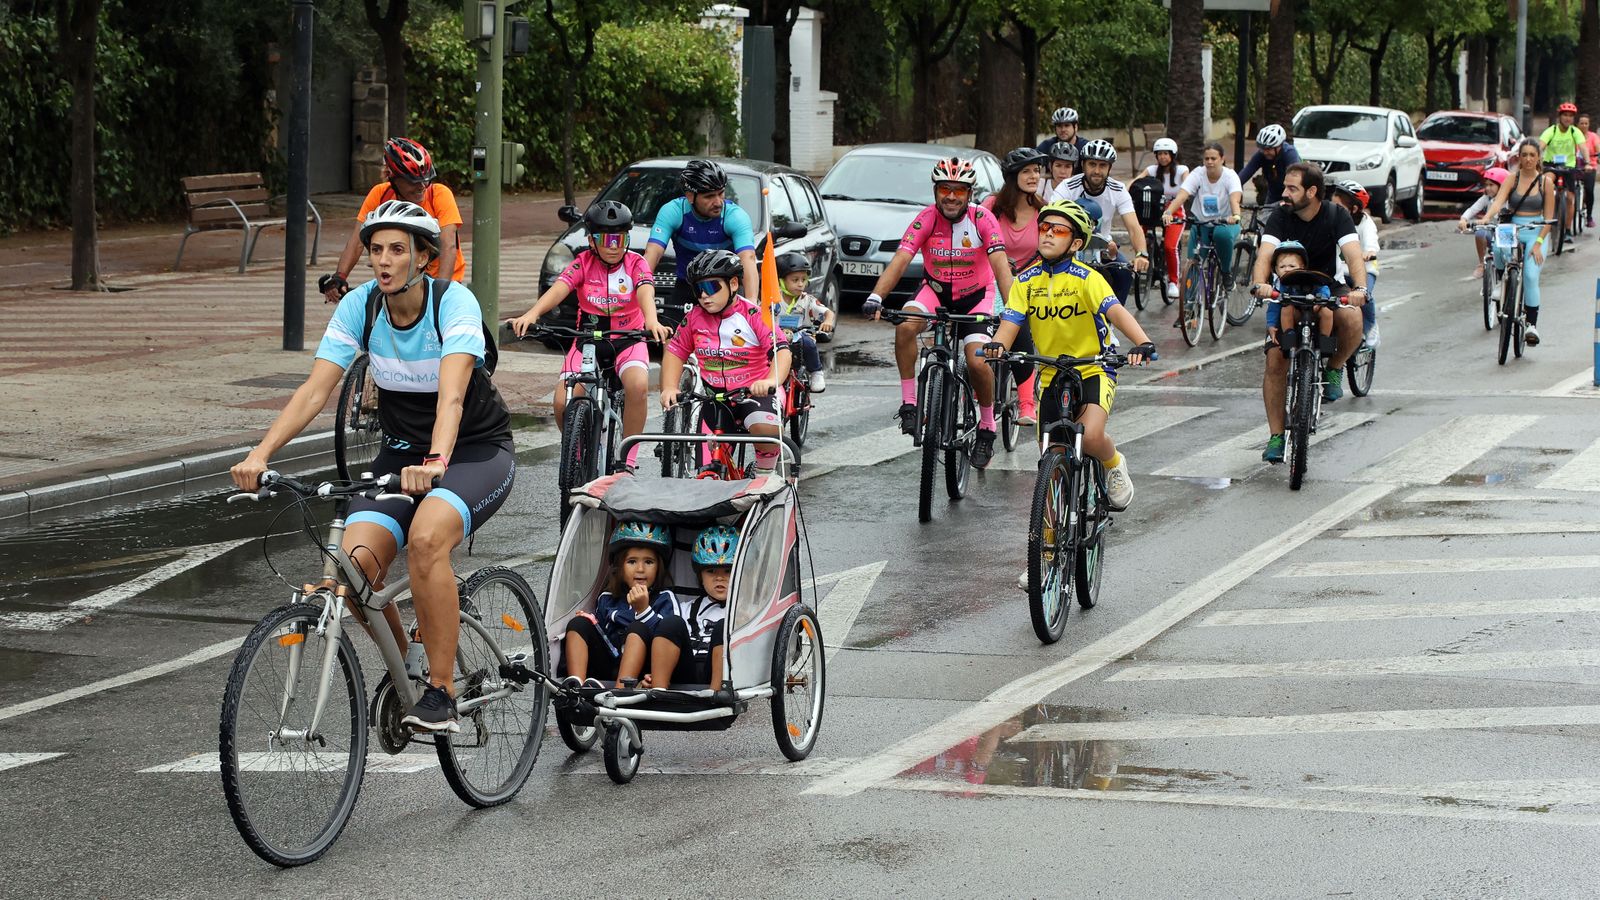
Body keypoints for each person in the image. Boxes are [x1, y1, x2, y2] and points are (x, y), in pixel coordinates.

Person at [233, 200, 514, 733]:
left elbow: (452, 398)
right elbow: (316, 389)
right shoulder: (361, 307)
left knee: (428, 540)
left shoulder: (453, 304)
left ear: (424, 257)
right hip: (403, 454)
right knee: (351, 567)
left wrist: (435, 461)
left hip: (474, 449)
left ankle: (441, 687)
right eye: (375, 250)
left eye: (397, 250)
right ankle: (408, 667)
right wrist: (259, 454)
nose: (383, 261)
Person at [981, 200, 1156, 588]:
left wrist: (1142, 341)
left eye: (1057, 231)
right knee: (1050, 465)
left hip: (1094, 367)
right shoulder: (1025, 280)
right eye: (1044, 228)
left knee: (1090, 435)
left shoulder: (1087, 277)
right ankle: (1043, 555)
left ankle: (1112, 465)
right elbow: (1010, 324)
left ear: (1076, 243)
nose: (1046, 234)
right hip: (1050, 373)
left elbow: (1116, 315)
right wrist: (997, 345)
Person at [862, 157, 1014, 468]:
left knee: (976, 360)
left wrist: (1012, 309)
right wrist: (876, 296)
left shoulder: (983, 219)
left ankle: (986, 427)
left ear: (969, 194)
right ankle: (909, 404)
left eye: (959, 190)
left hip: (977, 297)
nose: (951, 197)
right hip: (936, 292)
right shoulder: (926, 218)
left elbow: (1000, 265)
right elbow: (901, 259)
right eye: (945, 189)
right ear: (935, 191)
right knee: (905, 326)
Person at [510, 200, 672, 473]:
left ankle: (626, 461)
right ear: (591, 240)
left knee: (638, 387)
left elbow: (645, 291)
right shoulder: (582, 262)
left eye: (620, 238)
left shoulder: (636, 263)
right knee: (562, 402)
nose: (613, 245)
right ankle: (578, 450)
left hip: (628, 338)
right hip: (588, 339)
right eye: (605, 238)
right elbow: (560, 288)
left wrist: (652, 321)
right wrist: (532, 314)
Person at [1248, 163, 1370, 462]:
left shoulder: (1336, 215)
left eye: (1292, 188)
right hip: (1286, 289)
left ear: (1312, 192)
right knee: (1276, 358)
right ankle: (1276, 436)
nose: (1284, 193)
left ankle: (1334, 367)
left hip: (1327, 286)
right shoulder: (1280, 215)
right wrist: (1260, 284)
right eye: (1285, 187)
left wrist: (1361, 290)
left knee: (1353, 317)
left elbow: (1353, 255)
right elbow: (1265, 254)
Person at [660, 249, 792, 474]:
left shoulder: (753, 314)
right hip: (715, 399)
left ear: (732, 284)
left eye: (711, 287)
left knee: (764, 427)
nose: (704, 296)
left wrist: (771, 380)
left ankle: (765, 473)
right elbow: (675, 351)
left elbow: (781, 351)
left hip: (755, 393)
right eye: (698, 289)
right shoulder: (693, 318)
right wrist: (669, 387)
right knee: (706, 469)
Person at [320, 138, 464, 302]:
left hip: (440, 282)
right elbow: (357, 241)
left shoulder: (439, 194)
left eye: (426, 179)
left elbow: (448, 245)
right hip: (398, 282)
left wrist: (440, 292)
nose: (422, 186)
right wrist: (340, 276)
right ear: (391, 177)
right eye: (413, 181)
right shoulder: (379, 194)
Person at [615, 525, 736, 691]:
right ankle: (658, 690)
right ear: (699, 575)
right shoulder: (687, 608)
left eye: (728, 571)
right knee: (671, 623)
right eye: (711, 571)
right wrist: (654, 672)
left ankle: (717, 696)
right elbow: (666, 640)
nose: (719, 578)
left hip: (722, 671)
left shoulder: (746, 610)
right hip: (688, 666)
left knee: (723, 627)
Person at [560, 522, 676, 688]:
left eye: (649, 562)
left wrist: (643, 610)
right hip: (609, 662)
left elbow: (668, 638)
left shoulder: (665, 598)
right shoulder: (607, 598)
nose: (640, 569)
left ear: (659, 567)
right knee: (579, 624)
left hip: (644, 667)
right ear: (620, 567)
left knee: (637, 628)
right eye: (632, 562)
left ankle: (619, 693)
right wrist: (591, 623)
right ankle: (576, 687)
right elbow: (603, 635)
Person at [983, 147, 1050, 425]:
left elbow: (1052, 252)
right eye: (1027, 171)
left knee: (1018, 327)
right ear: (1012, 177)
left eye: (1037, 170)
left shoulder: (1044, 211)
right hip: (990, 280)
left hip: (1028, 284)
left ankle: (1026, 404)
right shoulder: (991, 206)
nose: (1034, 176)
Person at [642, 159, 761, 313]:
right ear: (690, 196)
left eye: (721, 193)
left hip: (724, 290)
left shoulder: (734, 216)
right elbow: (652, 254)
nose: (718, 202)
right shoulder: (674, 212)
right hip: (687, 287)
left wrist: (751, 301)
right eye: (709, 196)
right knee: (672, 334)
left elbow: (748, 258)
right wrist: (639, 296)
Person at [1477, 138, 1557, 347]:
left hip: (1536, 231)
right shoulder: (1512, 179)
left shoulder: (1545, 183)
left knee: (1530, 275)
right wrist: (1487, 217)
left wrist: (1539, 243)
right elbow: (1499, 202)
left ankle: (1531, 325)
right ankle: (1502, 280)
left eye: (1532, 155)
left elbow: (1549, 217)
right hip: (1513, 227)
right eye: (1524, 155)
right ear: (1519, 158)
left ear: (1538, 157)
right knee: (1498, 247)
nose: (1528, 159)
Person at [1060, 139, 1151, 304]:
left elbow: (1133, 226)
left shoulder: (1118, 189)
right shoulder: (1067, 186)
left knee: (1124, 273)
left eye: (1102, 165)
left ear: (1109, 168)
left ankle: (1109, 323)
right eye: (1092, 164)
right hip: (1068, 246)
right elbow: (1054, 218)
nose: (1096, 170)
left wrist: (1141, 253)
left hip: (1104, 247)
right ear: (1083, 164)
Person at [1162, 142, 1242, 329]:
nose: (1209, 162)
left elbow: (1234, 197)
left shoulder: (1230, 176)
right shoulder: (1198, 174)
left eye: (1213, 158)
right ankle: (1188, 312)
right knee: (1192, 264)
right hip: (1202, 223)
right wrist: (1169, 212)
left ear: (1222, 159)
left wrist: (1236, 215)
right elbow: (1182, 195)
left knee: (1222, 235)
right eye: (1206, 158)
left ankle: (1226, 274)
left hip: (1225, 222)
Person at [774, 251, 836, 393]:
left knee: (808, 343)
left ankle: (816, 373)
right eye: (795, 280)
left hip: (801, 336)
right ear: (781, 281)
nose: (801, 284)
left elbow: (828, 312)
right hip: (777, 337)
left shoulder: (808, 300)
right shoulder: (773, 300)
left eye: (803, 279)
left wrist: (827, 321)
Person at [1329, 180, 1380, 344]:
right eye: (1333, 205)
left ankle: (1370, 327)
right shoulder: (1332, 219)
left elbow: (1372, 244)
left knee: (1365, 295)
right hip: (1341, 271)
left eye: (1339, 207)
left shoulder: (1366, 223)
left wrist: (1368, 253)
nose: (1334, 210)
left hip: (1364, 269)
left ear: (1354, 209)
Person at [1145, 137, 1190, 301]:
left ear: (1173, 154)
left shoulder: (1182, 170)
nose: (1163, 157)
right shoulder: (1151, 170)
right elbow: (1135, 183)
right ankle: (1145, 258)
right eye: (1160, 154)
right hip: (1154, 211)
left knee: (1170, 247)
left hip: (1175, 214)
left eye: (1166, 153)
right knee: (1140, 230)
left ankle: (1173, 282)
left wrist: (1171, 208)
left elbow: (1187, 187)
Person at [1540, 102, 1586, 240]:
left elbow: (1583, 147)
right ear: (1560, 116)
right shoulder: (1552, 130)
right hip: (1551, 165)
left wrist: (1588, 162)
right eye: (1565, 115)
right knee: (1545, 183)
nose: (1568, 118)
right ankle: (1543, 217)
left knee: (1570, 199)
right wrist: (1535, 156)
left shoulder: (1574, 131)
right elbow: (1541, 145)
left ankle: (1566, 230)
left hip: (1568, 167)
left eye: (1571, 116)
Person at [1457, 167, 1510, 278]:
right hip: (1491, 231)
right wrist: (1463, 219)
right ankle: (1481, 263)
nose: (1488, 188)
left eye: (1492, 185)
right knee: (1480, 233)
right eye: (1486, 185)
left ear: (1502, 186)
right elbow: (1472, 209)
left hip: (1506, 234)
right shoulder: (1486, 198)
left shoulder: (1510, 200)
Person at [1237, 124, 1302, 208]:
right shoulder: (1261, 155)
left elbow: (1296, 180)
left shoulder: (1289, 154)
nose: (1265, 152)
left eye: (1268, 149)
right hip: (1273, 195)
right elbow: (1245, 174)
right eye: (1262, 149)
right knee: (1266, 217)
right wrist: (1231, 187)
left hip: (1291, 195)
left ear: (1279, 146)